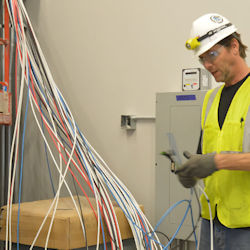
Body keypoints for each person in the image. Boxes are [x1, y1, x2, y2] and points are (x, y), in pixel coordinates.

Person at [178, 13, 250, 250]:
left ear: (234, 47)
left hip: (245, 227)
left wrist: (216, 161)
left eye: (212, 54)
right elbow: (205, 155)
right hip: (211, 221)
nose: (207, 65)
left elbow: (214, 160)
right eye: (202, 59)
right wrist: (192, 170)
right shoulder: (210, 99)